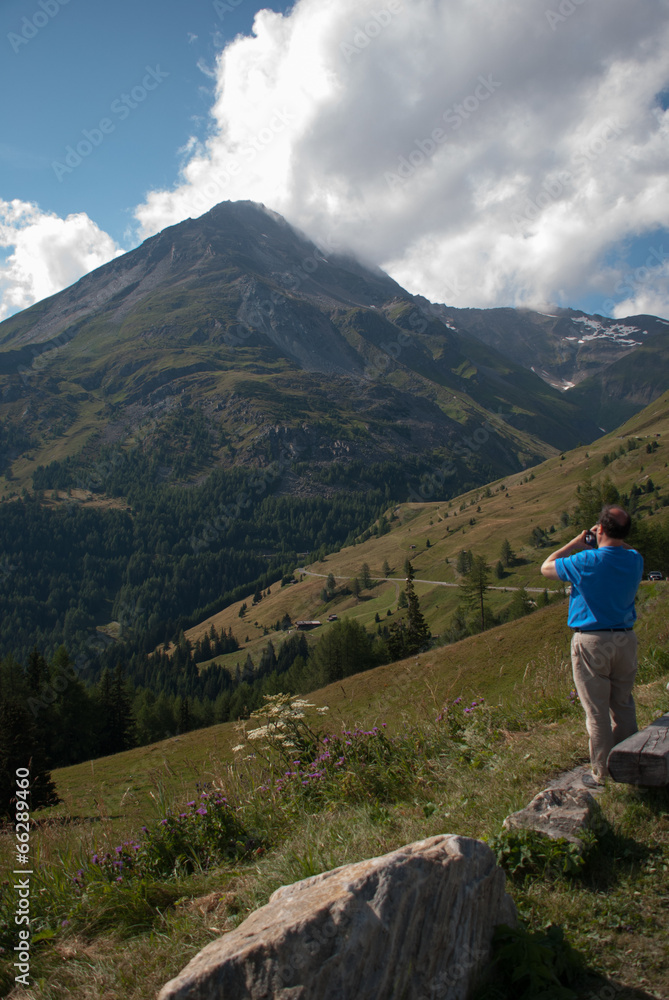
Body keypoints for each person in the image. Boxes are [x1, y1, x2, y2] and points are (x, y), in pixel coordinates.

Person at [540, 504, 644, 784]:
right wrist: (612, 537)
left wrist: (575, 542)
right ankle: (632, 765)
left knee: (597, 712)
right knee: (623, 704)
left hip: (592, 641)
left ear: (600, 529)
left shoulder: (585, 560)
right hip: (625, 638)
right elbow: (626, 549)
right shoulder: (635, 560)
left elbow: (546, 567)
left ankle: (602, 773)